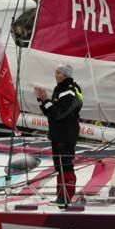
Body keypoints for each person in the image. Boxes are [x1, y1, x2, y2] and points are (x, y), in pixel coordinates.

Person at [35, 63, 83, 205]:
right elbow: (50, 113)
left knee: (66, 165)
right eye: (56, 72)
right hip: (58, 134)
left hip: (66, 133)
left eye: (59, 73)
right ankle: (60, 196)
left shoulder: (69, 91)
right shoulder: (60, 90)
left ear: (66, 75)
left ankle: (66, 196)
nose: (56, 75)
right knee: (59, 166)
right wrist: (41, 100)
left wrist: (45, 100)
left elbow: (58, 113)